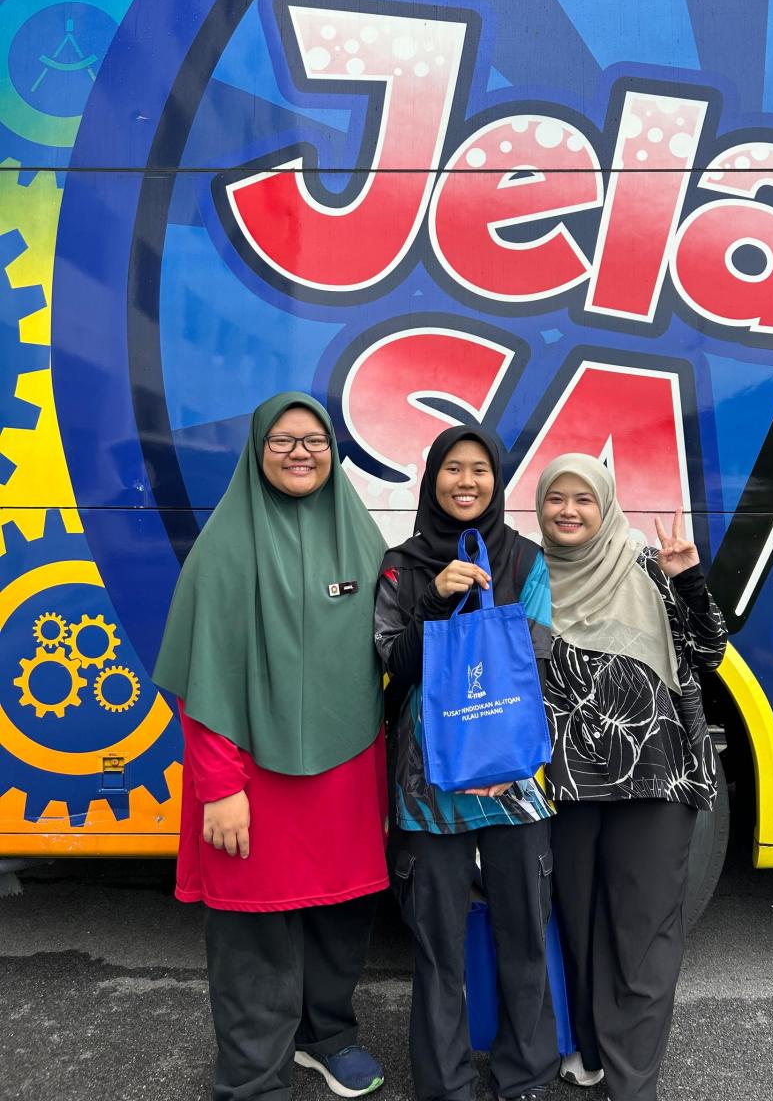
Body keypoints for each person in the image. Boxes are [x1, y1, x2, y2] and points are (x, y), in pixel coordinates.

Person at [153, 392, 389, 1101]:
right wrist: (220, 787)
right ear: (258, 450)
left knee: (342, 914)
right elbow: (202, 680)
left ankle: (327, 1037)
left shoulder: (363, 539)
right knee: (254, 933)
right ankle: (253, 1079)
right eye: (282, 440)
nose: (300, 453)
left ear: (333, 452)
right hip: (250, 782)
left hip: (347, 774)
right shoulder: (223, 549)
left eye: (314, 440)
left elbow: (399, 647)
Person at [374, 426, 559, 1101]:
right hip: (428, 785)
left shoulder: (525, 558)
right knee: (437, 947)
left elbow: (538, 658)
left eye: (480, 469)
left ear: (496, 480)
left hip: (514, 783)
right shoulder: (401, 566)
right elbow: (392, 665)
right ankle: (445, 1084)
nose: (466, 482)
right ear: (432, 480)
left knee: (524, 936)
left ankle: (526, 1075)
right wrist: (435, 602)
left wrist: (482, 615)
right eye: (453, 468)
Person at [535, 455, 727, 1101]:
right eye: (556, 498)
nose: (568, 510)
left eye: (583, 499)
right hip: (564, 787)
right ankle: (590, 1051)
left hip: (656, 779)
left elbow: (710, 652)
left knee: (643, 931)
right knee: (578, 923)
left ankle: (633, 1080)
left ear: (605, 505)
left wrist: (689, 579)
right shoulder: (529, 576)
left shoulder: (646, 565)